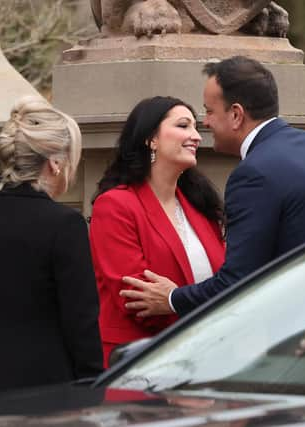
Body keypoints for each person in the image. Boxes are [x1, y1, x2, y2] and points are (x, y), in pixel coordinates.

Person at [121, 56, 305, 317]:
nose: (205, 123)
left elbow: (237, 282)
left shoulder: (254, 174)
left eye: (210, 111)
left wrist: (171, 298)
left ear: (236, 115)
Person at [0, 96, 103, 398]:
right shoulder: (65, 225)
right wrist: (94, 391)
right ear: (55, 164)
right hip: (43, 390)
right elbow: (81, 323)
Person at [89, 96, 226, 367]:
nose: (196, 136)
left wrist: (176, 300)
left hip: (204, 357)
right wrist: (202, 311)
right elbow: (135, 298)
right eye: (184, 126)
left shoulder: (201, 206)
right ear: (151, 138)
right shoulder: (115, 205)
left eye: (196, 127)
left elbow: (223, 282)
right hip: (141, 361)